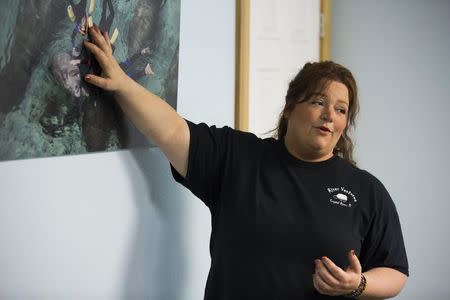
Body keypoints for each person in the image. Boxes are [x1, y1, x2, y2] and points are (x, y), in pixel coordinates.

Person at [82, 26, 409, 299]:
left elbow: (394, 271)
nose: (329, 116)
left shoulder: (366, 190)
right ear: (290, 107)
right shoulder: (237, 158)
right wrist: (122, 84)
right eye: (318, 101)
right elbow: (170, 129)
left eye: (341, 109)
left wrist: (358, 284)